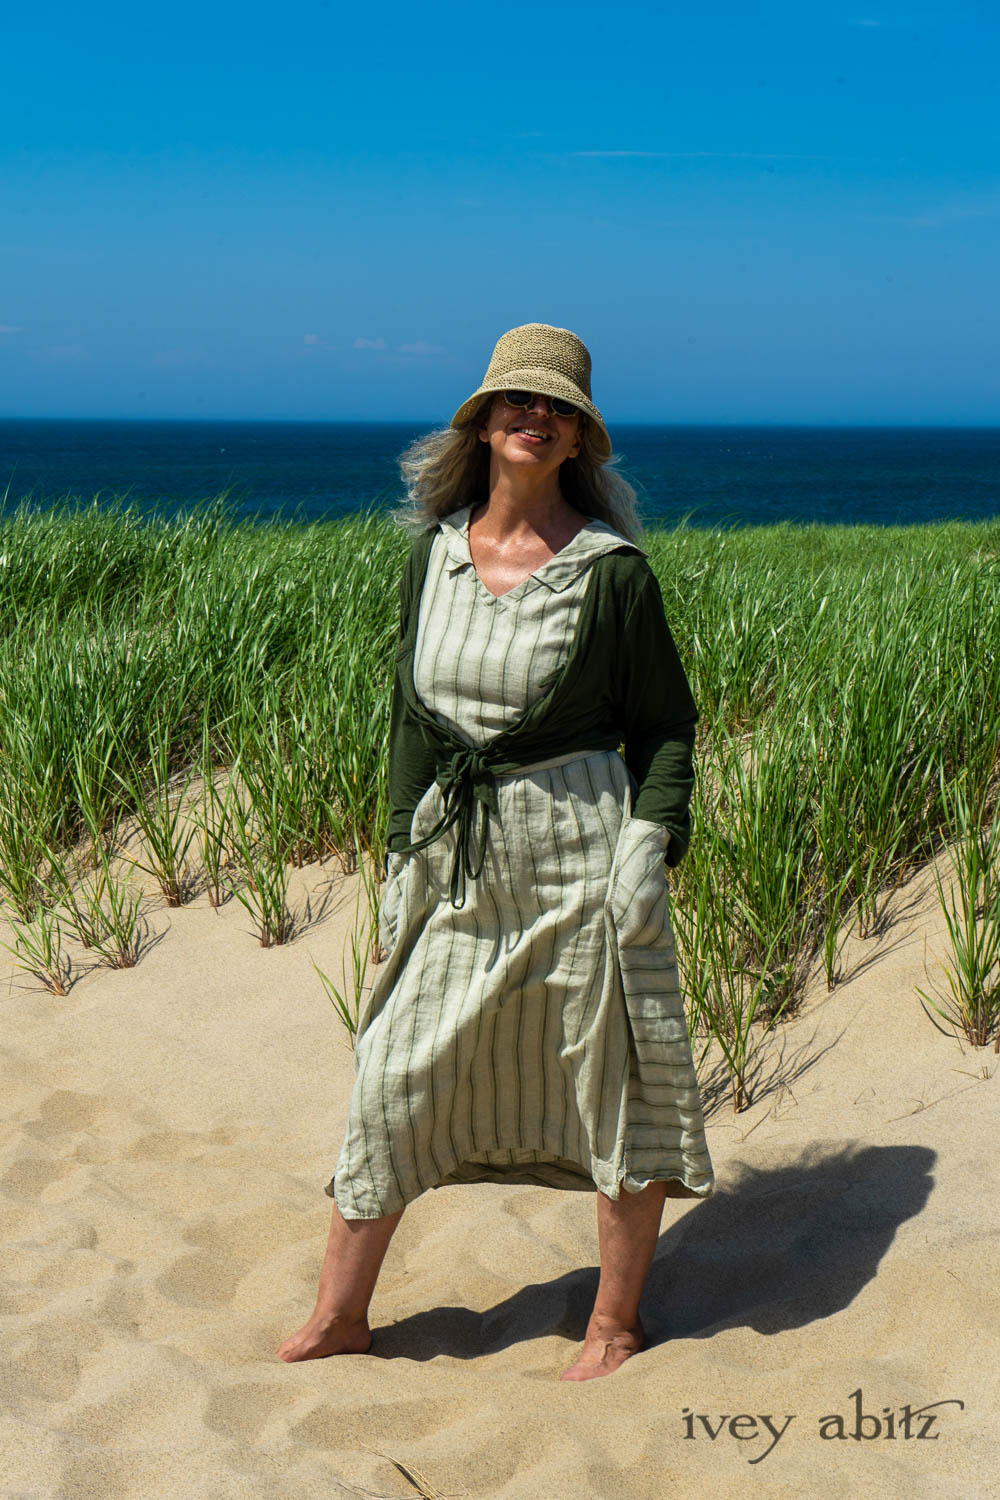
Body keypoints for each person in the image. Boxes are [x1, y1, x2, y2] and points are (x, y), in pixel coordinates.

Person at [278, 323, 714, 1380]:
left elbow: (665, 727)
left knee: (612, 1083)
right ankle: (341, 1315)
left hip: (581, 854)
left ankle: (612, 1325)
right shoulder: (431, 557)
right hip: (455, 861)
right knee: (392, 1071)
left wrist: (648, 845)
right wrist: (397, 854)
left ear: (578, 441)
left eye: (556, 408)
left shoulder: (613, 574)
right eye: (516, 401)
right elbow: (411, 725)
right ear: (481, 425)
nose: (534, 417)